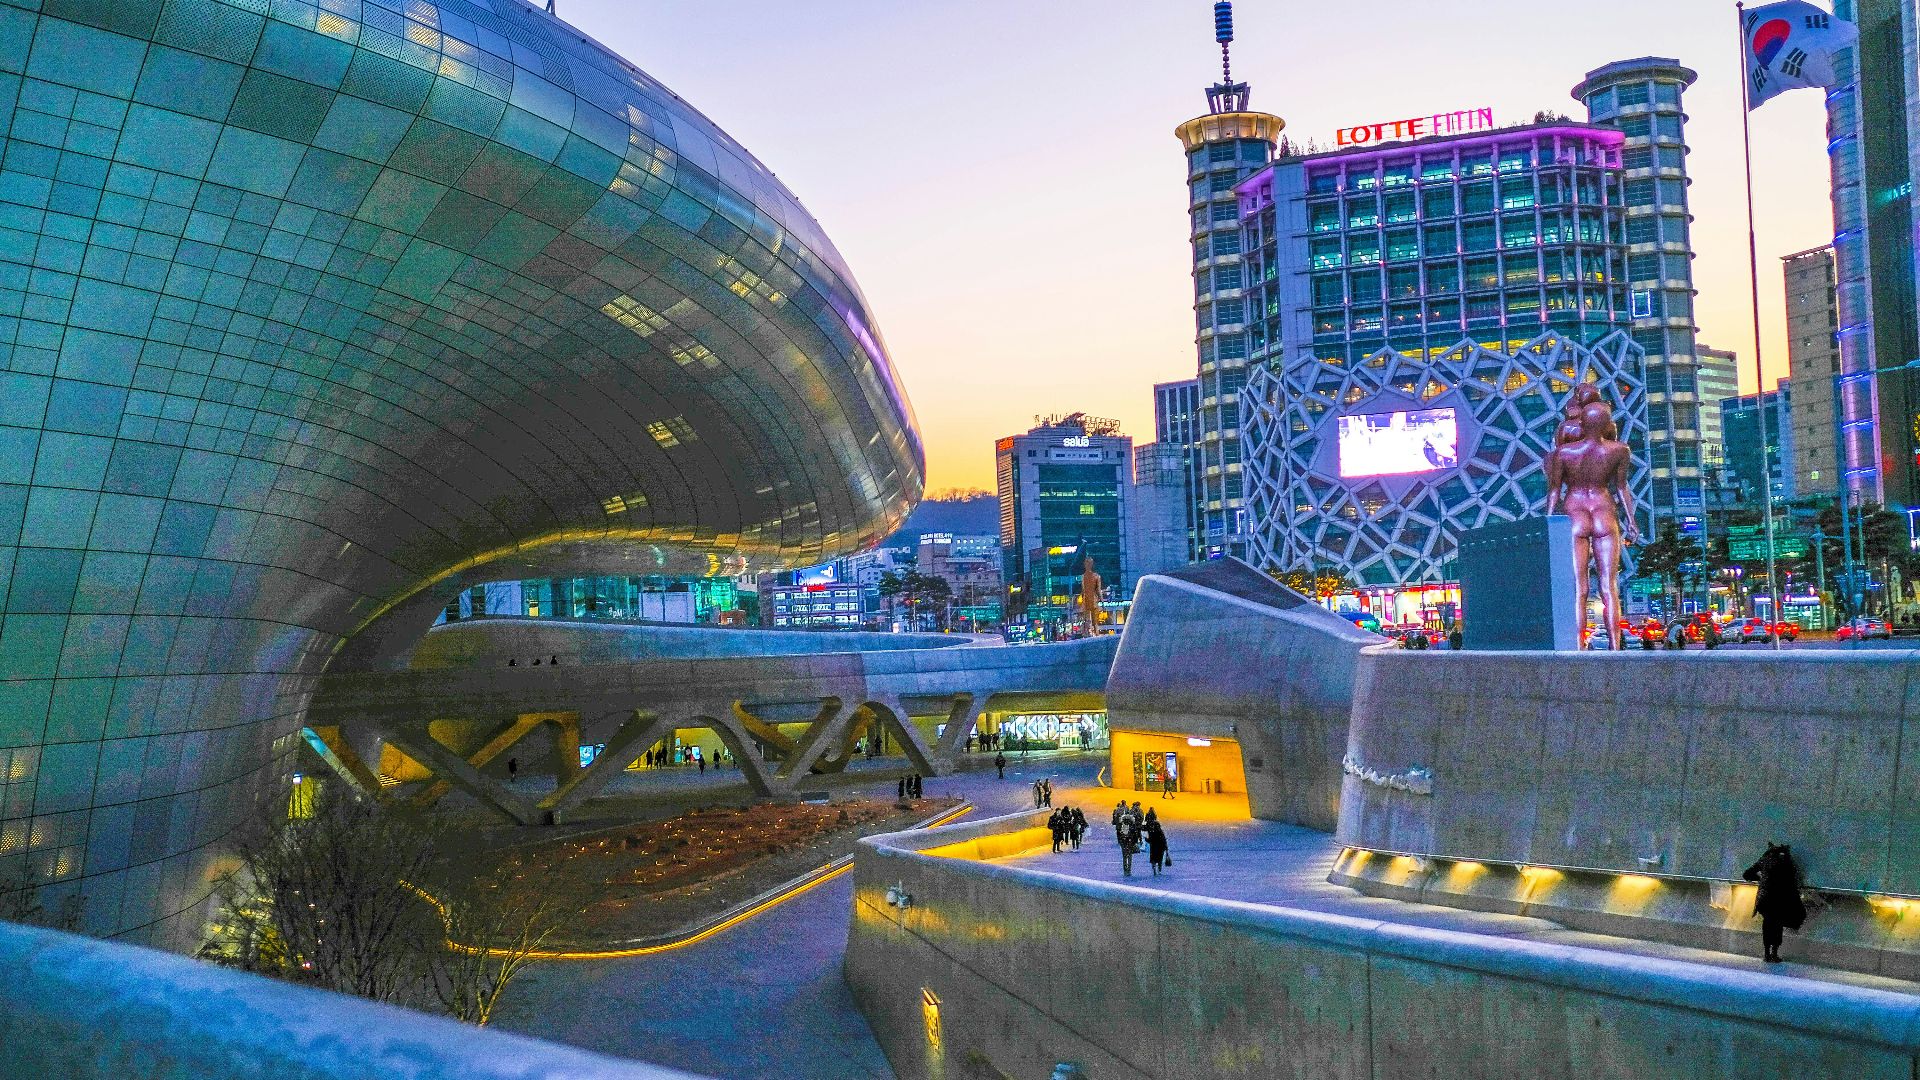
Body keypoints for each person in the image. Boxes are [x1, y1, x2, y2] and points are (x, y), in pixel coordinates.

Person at [1743, 843, 1807, 963]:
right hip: (1779, 900)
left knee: (1767, 925)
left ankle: (1766, 953)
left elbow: (1746, 874)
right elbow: (1793, 879)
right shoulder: (1786, 862)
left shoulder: (1764, 860)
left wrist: (1762, 879)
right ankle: (1774, 953)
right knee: (1777, 926)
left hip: (1765, 900)